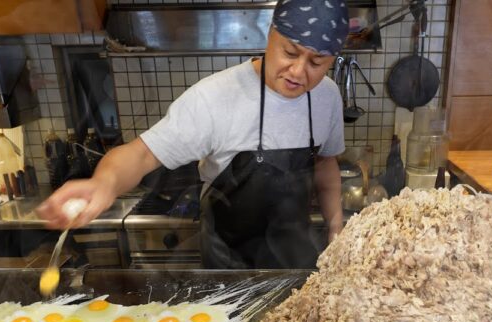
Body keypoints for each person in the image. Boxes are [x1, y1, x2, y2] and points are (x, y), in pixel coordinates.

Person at [36, 0, 349, 269]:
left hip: (294, 263)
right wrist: (104, 183)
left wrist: (336, 228)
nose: (298, 72)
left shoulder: (327, 96)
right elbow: (141, 154)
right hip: (228, 267)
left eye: (316, 62)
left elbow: (325, 163)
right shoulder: (214, 98)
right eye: (290, 53)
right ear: (270, 34)